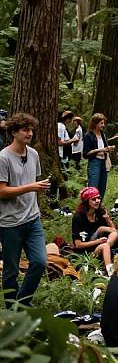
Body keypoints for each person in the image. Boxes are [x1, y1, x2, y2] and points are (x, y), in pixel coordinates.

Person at [0, 113, 50, 305]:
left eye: (31, 129)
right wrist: (31, 187)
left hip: (32, 219)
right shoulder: (3, 158)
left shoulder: (34, 154)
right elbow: (2, 191)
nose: (30, 133)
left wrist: (39, 186)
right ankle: (12, 314)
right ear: (14, 132)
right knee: (11, 271)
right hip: (10, 223)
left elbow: (33, 181)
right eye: (25, 130)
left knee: (40, 262)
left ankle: (22, 304)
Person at [72, 187, 118, 276]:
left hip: (102, 245)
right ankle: (110, 272)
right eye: (94, 199)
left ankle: (106, 253)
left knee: (113, 235)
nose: (97, 201)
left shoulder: (99, 212)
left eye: (98, 198)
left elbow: (114, 231)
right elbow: (78, 245)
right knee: (104, 242)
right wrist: (98, 241)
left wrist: (108, 219)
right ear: (86, 201)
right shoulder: (78, 218)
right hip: (86, 252)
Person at [83, 113, 114, 199]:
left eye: (103, 123)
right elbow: (86, 153)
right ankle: (90, 208)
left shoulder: (103, 134)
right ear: (95, 123)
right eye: (101, 123)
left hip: (103, 162)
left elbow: (104, 147)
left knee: (102, 186)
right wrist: (100, 150)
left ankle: (99, 207)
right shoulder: (88, 135)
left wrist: (108, 149)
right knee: (93, 187)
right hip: (94, 162)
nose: (103, 125)